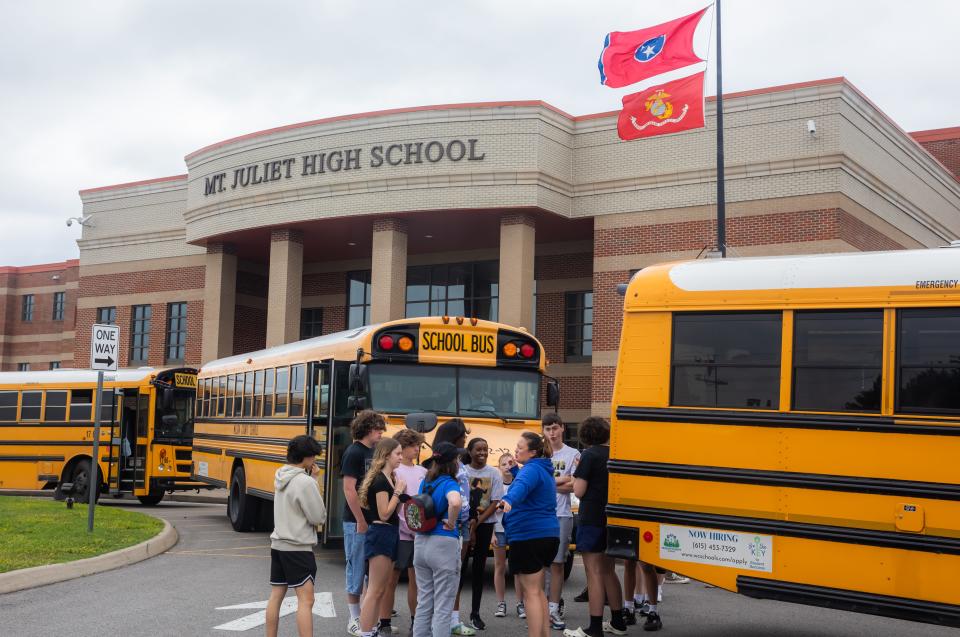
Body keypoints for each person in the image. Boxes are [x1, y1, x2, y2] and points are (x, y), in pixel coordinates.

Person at [562, 417, 632, 637]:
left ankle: (594, 627)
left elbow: (580, 491)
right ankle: (618, 621)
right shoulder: (614, 453)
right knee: (609, 571)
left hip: (592, 517)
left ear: (585, 436)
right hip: (612, 517)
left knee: (593, 573)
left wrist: (573, 480)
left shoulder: (589, 455)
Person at [498, 432, 559, 637]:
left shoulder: (531, 469)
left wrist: (509, 500)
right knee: (538, 590)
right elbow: (528, 484)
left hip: (529, 536)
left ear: (532, 452)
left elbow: (522, 487)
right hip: (547, 535)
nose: (516, 450)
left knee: (530, 593)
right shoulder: (541, 468)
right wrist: (515, 470)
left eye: (519, 447)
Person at [266, 435, 327, 637]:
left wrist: (312, 478)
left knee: (276, 596)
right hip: (298, 548)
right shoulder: (304, 482)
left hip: (278, 544)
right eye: (313, 457)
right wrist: (314, 480)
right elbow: (318, 516)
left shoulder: (280, 474)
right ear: (307, 458)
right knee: (306, 600)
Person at [342, 410, 388, 636]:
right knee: (356, 569)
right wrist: (360, 519)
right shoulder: (354, 452)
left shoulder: (374, 451)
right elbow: (349, 489)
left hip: (373, 520)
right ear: (369, 429)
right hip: (356, 521)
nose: (381, 433)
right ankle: (353, 618)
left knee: (370, 572)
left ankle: (368, 619)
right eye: (379, 429)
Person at [412, 442, 464, 637]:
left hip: (421, 543)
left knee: (424, 600)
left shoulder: (425, 482)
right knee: (443, 604)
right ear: (452, 462)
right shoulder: (450, 483)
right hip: (443, 544)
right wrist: (451, 522)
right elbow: (455, 502)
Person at [431, 418, 475, 636]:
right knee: (450, 575)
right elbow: (459, 502)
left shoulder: (439, 465)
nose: (465, 440)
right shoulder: (453, 468)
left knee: (449, 575)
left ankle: (450, 619)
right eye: (463, 436)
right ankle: (448, 620)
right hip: (453, 526)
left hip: (448, 525)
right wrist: (457, 520)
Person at [358, 438, 406, 637]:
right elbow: (384, 513)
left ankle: (372, 629)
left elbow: (395, 511)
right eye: (398, 454)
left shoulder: (390, 478)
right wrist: (397, 492)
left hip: (390, 533)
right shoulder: (380, 481)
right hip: (380, 533)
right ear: (386, 455)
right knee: (375, 590)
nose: (401, 458)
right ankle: (366, 632)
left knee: (381, 588)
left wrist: (400, 495)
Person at [540, 413, 580, 630]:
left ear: (562, 428)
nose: (552, 433)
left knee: (557, 564)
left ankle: (553, 608)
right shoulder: (539, 453)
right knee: (540, 565)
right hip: (540, 514)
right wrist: (559, 480)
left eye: (555, 428)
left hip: (562, 514)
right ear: (543, 431)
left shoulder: (573, 453)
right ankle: (540, 606)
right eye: (548, 429)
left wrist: (546, 483)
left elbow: (574, 485)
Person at [462, 438, 503, 630]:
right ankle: (453, 614)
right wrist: (469, 524)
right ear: (469, 452)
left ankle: (475, 613)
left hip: (484, 525)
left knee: (478, 569)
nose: (482, 453)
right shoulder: (462, 470)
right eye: (478, 449)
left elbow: (495, 502)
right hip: (462, 525)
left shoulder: (494, 473)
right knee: (459, 569)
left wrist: (476, 523)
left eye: (485, 450)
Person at [390, 428, 427, 635]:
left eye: (418, 446)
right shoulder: (395, 472)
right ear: (401, 449)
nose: (417, 450)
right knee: (391, 578)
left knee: (417, 579)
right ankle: (384, 620)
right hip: (400, 532)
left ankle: (416, 621)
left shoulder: (422, 471)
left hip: (419, 533)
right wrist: (406, 525)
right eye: (413, 446)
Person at [491, 452, 522, 620]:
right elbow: (489, 509)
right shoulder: (496, 485)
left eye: (510, 464)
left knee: (517, 568)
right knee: (500, 566)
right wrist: (492, 534)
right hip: (499, 529)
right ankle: (501, 603)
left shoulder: (519, 483)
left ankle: (520, 603)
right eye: (504, 464)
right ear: (499, 467)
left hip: (516, 529)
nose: (507, 467)